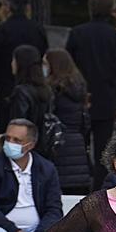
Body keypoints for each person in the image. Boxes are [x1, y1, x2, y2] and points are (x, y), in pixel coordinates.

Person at [66, 0, 116, 169]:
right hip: (107, 98)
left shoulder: (77, 33)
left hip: (80, 99)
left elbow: (69, 68)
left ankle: (83, 178)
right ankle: (100, 184)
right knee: (104, 148)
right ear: (111, 10)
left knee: (80, 145)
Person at [0, 0, 48, 125]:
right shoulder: (38, 30)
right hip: (34, 90)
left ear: (7, 5)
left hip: (7, 90)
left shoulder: (1, 31)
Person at [43, 48, 94, 195]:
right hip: (78, 144)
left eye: (46, 64)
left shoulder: (53, 90)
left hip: (59, 144)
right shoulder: (79, 88)